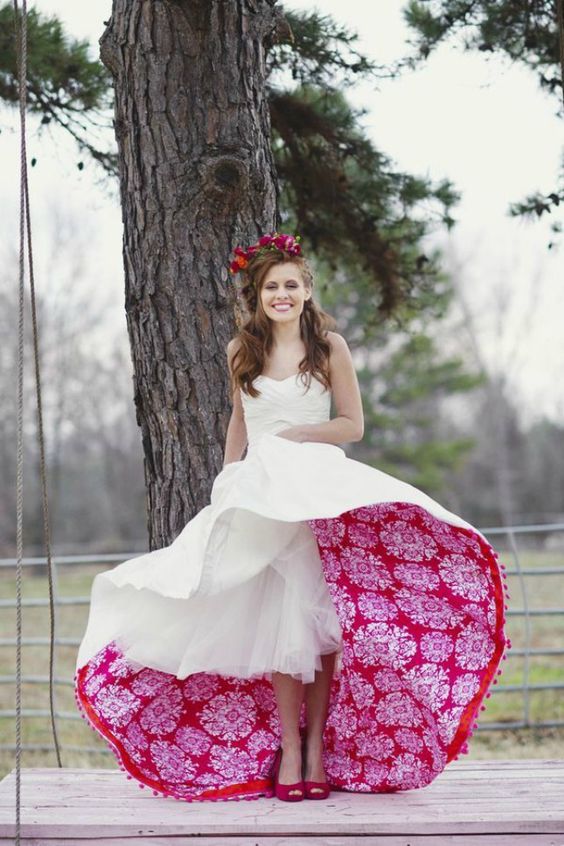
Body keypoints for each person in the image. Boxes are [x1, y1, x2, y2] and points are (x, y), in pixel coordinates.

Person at [74, 232, 511, 804]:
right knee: (279, 626)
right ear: (256, 296)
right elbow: (239, 420)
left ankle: (316, 749)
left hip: (315, 492)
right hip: (260, 496)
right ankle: (288, 746)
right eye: (270, 287)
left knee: (320, 627)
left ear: (306, 290)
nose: (281, 295)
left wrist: (301, 434)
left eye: (290, 285)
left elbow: (352, 425)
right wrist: (229, 476)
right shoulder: (242, 351)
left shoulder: (329, 347)